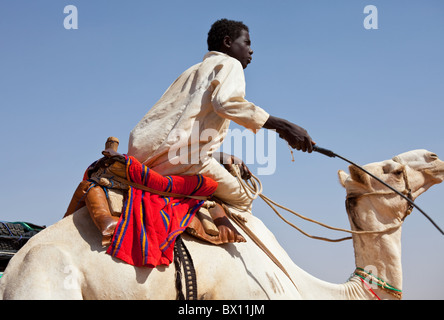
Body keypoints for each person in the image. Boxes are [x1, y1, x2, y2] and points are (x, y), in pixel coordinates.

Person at [127, 19, 314, 213]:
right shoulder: (230, 64)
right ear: (227, 42)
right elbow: (226, 103)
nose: (251, 51)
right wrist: (284, 127)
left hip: (142, 157)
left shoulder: (191, 71)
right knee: (245, 199)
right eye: (247, 43)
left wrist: (218, 156)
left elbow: (174, 135)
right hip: (179, 165)